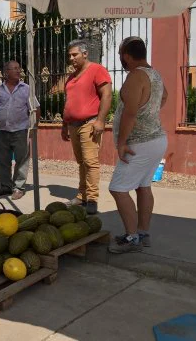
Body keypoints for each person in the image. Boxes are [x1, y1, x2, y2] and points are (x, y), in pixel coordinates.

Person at [108, 36, 168, 254]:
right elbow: (164, 98)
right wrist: (149, 113)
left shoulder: (136, 76)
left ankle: (132, 237)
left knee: (118, 188)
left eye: (120, 56)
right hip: (156, 139)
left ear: (126, 56)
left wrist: (122, 143)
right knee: (143, 186)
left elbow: (130, 113)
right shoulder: (155, 75)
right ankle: (142, 233)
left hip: (140, 143)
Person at [62, 40, 113, 215]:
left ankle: (92, 199)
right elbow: (68, 102)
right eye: (69, 55)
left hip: (89, 123)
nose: (71, 58)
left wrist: (100, 120)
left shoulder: (97, 70)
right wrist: (64, 125)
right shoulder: (71, 77)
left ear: (85, 54)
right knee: (81, 162)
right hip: (73, 125)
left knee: (90, 162)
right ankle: (81, 195)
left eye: (74, 54)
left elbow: (107, 94)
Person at [0, 60, 40, 200]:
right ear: (6, 72)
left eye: (18, 68)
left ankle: (18, 188)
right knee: (2, 161)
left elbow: (36, 108)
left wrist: (35, 126)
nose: (18, 71)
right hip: (3, 131)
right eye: (14, 68)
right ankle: (5, 186)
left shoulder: (26, 88)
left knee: (22, 161)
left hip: (21, 131)